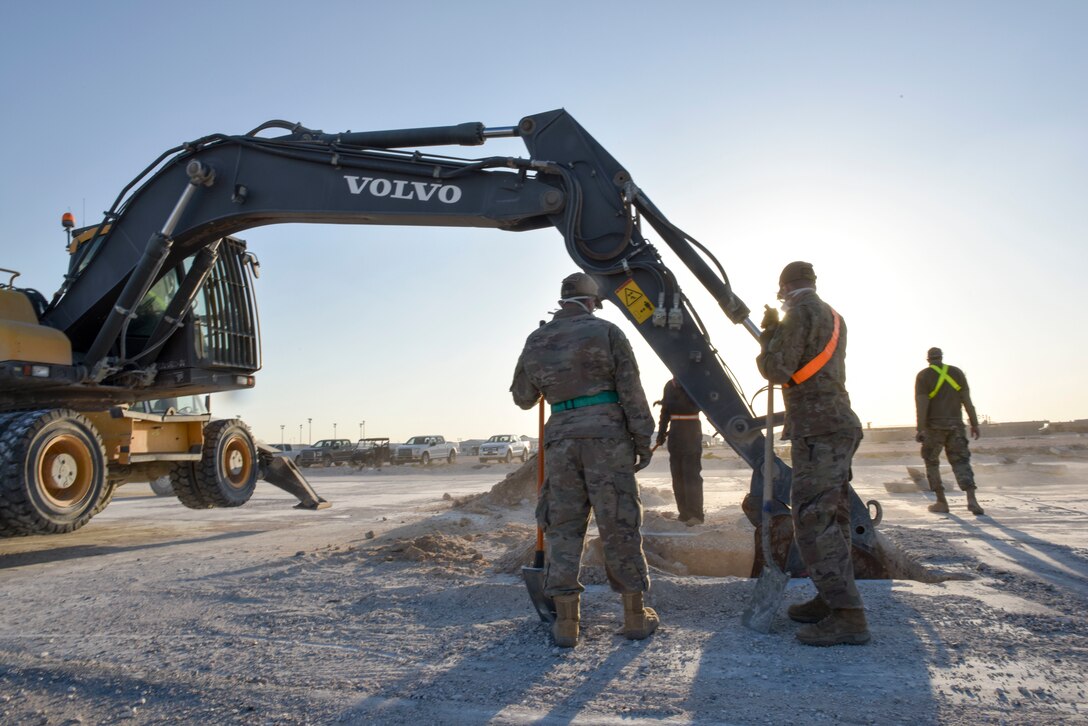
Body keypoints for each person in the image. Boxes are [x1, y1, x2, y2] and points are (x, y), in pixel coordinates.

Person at [510, 272, 659, 648]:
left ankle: (566, 624)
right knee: (619, 524)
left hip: (561, 440)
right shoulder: (607, 332)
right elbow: (631, 388)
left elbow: (524, 397)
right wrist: (642, 437)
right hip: (607, 438)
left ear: (562, 302)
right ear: (593, 301)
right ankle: (635, 616)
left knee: (562, 527)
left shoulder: (537, 338)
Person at [756, 261, 869, 646]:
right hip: (837, 424)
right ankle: (830, 597)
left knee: (811, 519)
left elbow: (776, 369)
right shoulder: (834, 316)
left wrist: (769, 337)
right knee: (833, 518)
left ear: (784, 288)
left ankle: (848, 616)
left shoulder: (797, 314)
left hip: (818, 430)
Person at [915, 347, 984, 515]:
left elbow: (922, 404)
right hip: (956, 426)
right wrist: (974, 423)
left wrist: (921, 428)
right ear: (941, 357)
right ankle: (972, 500)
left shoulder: (924, 376)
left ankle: (941, 501)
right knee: (961, 461)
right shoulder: (957, 373)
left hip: (934, 427)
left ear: (928, 360)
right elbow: (967, 400)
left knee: (932, 462)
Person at [655, 378, 704, 524]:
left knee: (691, 475)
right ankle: (684, 514)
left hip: (691, 431)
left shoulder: (695, 383)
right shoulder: (668, 385)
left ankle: (696, 515)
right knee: (677, 476)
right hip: (675, 433)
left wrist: (668, 402)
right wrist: (661, 432)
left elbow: (694, 407)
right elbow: (665, 413)